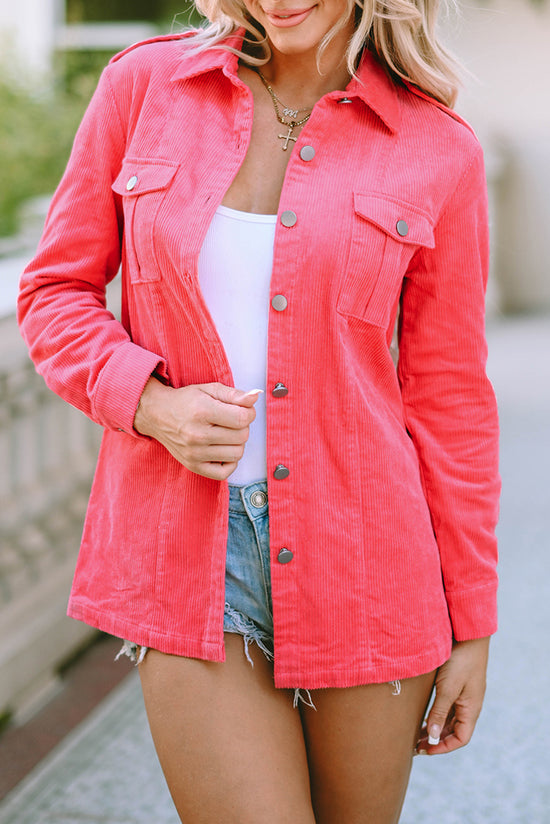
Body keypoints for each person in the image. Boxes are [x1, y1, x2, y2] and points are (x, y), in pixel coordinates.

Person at [18, 0, 500, 820]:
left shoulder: (437, 147)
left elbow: (449, 394)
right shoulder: (145, 89)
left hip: (368, 558)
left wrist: (473, 626)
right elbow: (53, 292)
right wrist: (150, 402)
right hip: (183, 552)